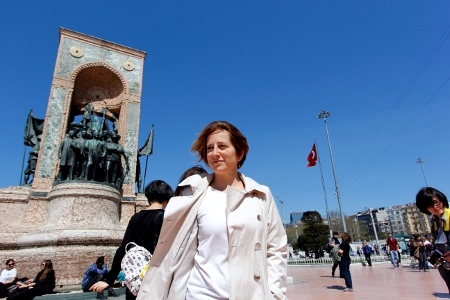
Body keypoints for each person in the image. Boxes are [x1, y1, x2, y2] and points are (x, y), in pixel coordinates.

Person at [137, 120, 288, 300]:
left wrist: (274, 293)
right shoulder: (193, 194)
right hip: (200, 294)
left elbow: (276, 248)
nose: (215, 153)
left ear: (239, 153)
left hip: (250, 294)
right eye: (210, 148)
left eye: (222, 146)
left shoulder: (261, 195)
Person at [91, 180, 174, 300]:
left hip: (135, 279)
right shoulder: (165, 217)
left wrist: (109, 279)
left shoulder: (135, 217)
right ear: (167, 198)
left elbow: (122, 249)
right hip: (155, 279)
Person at [416, 187, 450, 293]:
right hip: (447, 267)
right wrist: (436, 256)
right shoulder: (434, 221)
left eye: (436, 202)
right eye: (430, 205)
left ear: (441, 199)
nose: (435, 207)